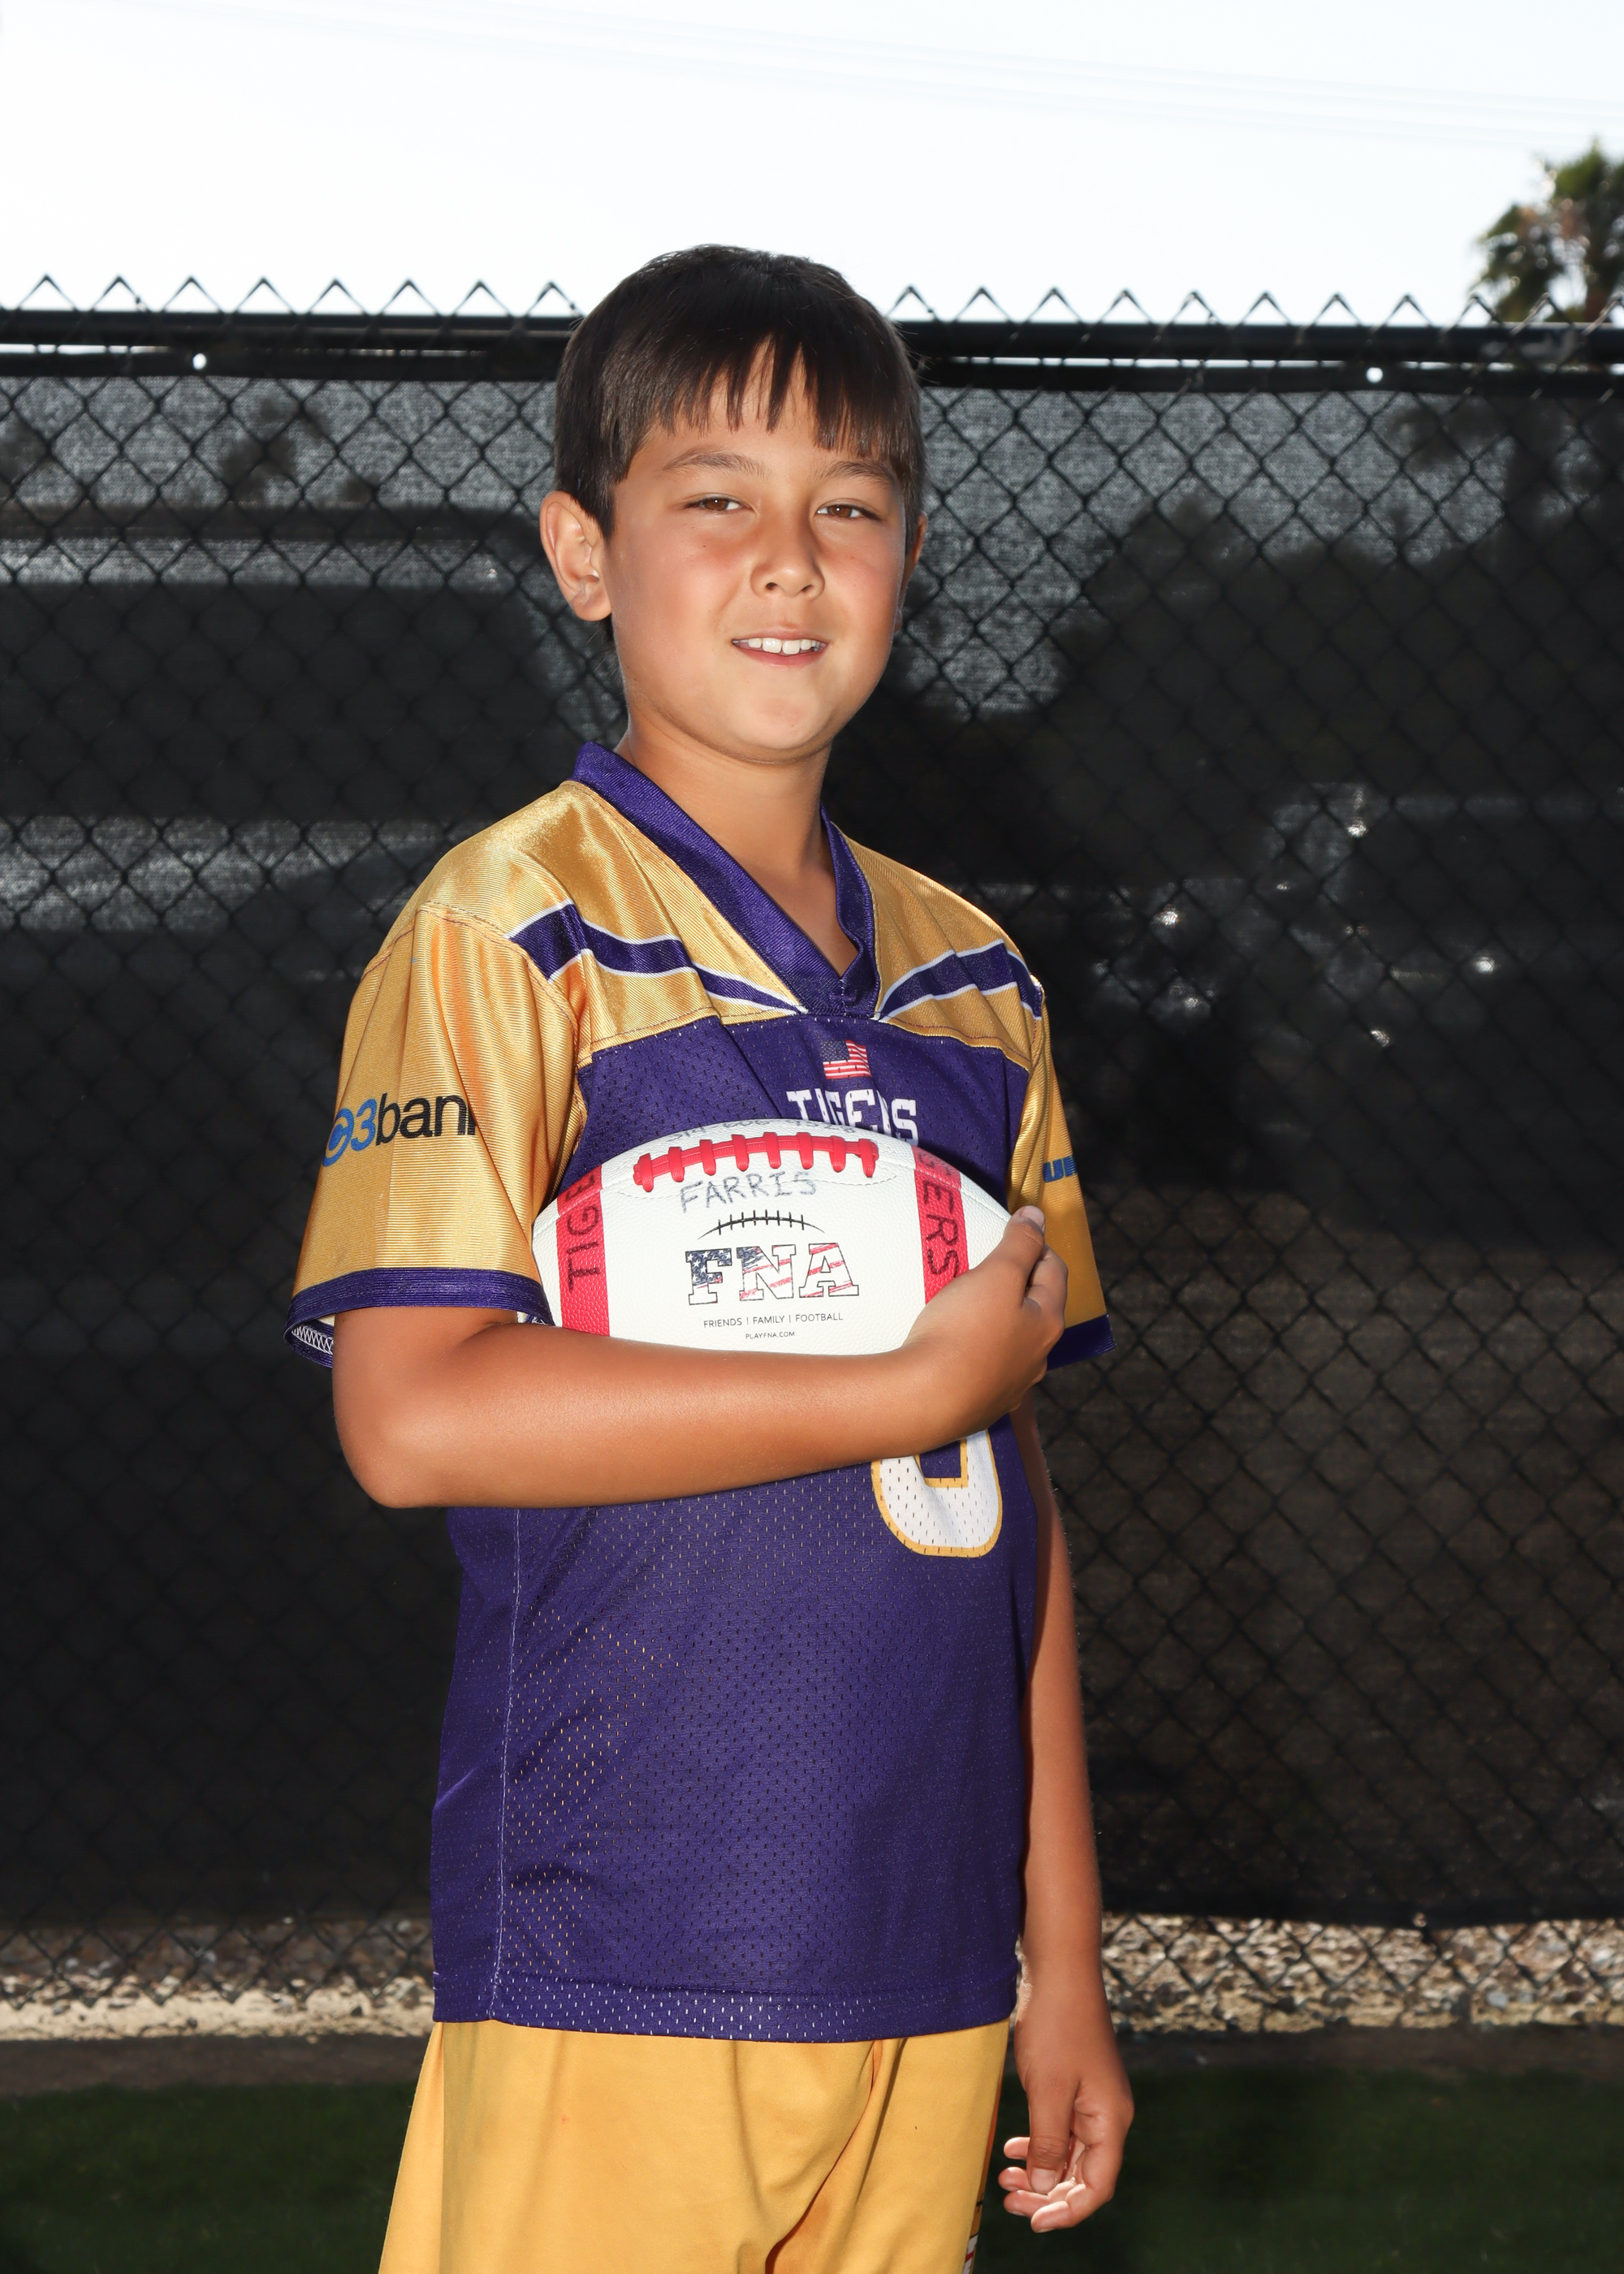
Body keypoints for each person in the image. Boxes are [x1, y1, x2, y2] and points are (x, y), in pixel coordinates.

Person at [287, 244, 1133, 2273]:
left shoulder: (977, 982)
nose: (788, 557)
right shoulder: (504, 929)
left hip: (927, 1947)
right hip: (629, 1933)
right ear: (583, 552)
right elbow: (410, 1417)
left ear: (906, 556)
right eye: (716, 495)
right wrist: (894, 1386)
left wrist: (1065, 1952)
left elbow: (1001, 1489)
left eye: (850, 504)